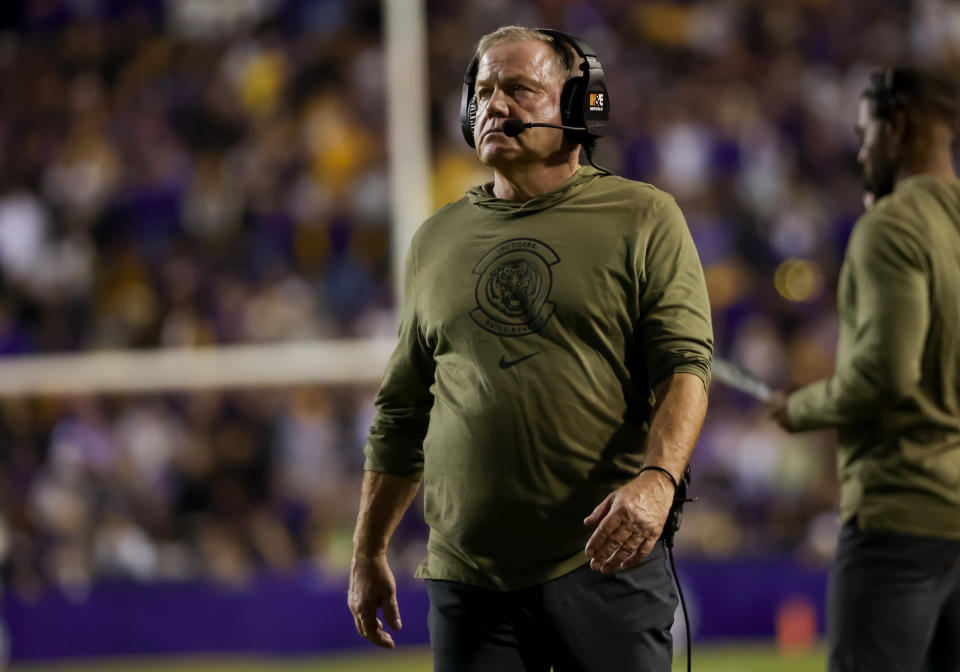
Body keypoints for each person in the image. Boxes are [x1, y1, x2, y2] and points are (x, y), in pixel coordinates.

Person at [347, 26, 712, 672]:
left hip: (604, 562)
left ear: (579, 107)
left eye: (519, 88)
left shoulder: (643, 217)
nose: (495, 105)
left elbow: (685, 367)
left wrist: (658, 482)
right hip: (469, 579)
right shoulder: (436, 240)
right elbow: (402, 412)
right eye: (483, 91)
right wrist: (368, 547)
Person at [770, 67, 960, 672]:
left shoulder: (893, 225)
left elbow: (886, 375)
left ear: (896, 127)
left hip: (900, 518)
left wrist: (799, 407)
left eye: (864, 133)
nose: (859, 151)